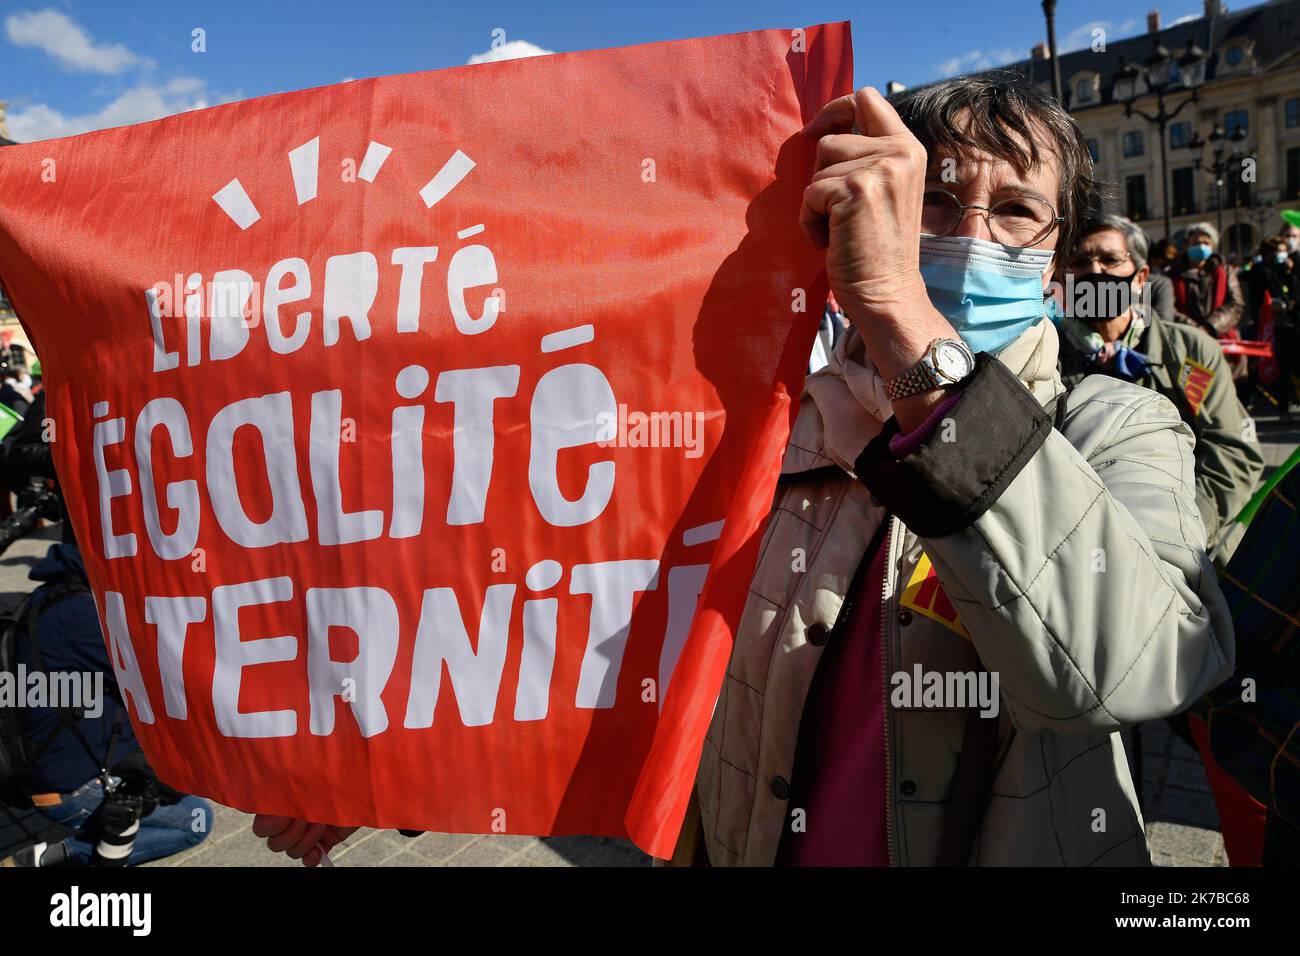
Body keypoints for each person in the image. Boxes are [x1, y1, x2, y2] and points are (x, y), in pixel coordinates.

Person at [254, 74, 1236, 867]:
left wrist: (909, 332)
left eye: (1016, 210)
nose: (972, 234)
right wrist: (390, 774)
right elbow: (598, 638)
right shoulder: (770, 428)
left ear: (1056, 253)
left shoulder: (1119, 425)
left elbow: (1129, 665)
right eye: (933, 196)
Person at [1057, 215, 1263, 559]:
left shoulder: (1191, 352)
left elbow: (1232, 452)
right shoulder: (1046, 357)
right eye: (1079, 262)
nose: (1095, 272)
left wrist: (1181, 533)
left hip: (1192, 549)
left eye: (1110, 259)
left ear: (1140, 278)